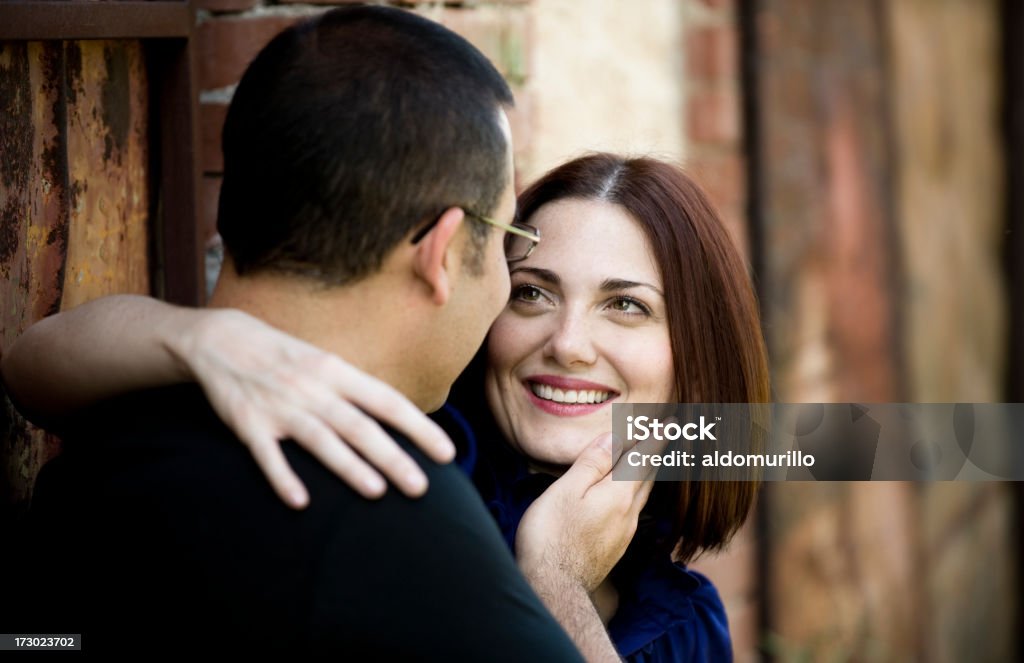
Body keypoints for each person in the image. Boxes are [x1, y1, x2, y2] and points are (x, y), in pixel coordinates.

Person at [0, 7, 637, 659]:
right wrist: (556, 582)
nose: (569, 343)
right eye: (512, 244)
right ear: (442, 252)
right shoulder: (394, 502)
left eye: (627, 305)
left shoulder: (109, 414)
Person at [5, 151, 771, 660]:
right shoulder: (407, 457)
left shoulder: (687, 622)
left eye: (626, 307)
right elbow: (31, 367)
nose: (568, 343)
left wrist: (559, 580)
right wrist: (201, 337)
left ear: (694, 357)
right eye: (533, 293)